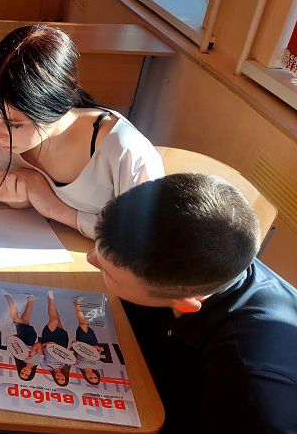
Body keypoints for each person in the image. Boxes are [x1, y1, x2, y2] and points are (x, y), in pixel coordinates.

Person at [89, 173, 297, 433]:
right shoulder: (199, 262)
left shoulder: (249, 390)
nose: (89, 259)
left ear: (185, 305)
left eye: (107, 272)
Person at [0, 24, 164, 239]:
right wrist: (19, 201)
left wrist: (55, 208)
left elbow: (145, 241)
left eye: (15, 125)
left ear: (58, 101)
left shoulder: (125, 151)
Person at [30, 291, 72, 386]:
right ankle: (50, 301)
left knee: (54, 320)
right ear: (65, 376)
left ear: (54, 378)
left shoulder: (46, 366)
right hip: (62, 341)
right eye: (62, 378)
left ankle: (51, 299)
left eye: (58, 379)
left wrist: (45, 344)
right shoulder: (65, 365)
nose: (59, 377)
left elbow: (40, 349)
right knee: (57, 318)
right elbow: (70, 352)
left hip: (48, 339)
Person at [1, 289, 38, 381]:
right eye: (27, 374)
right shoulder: (36, 362)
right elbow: (38, 345)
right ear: (31, 374)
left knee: (25, 317)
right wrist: (32, 351)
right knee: (15, 318)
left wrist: (14, 340)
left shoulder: (20, 361)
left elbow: (15, 347)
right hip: (29, 337)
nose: (24, 372)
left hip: (22, 337)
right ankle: (8, 296)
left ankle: (30, 298)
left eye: (22, 373)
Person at [70, 296, 103, 385]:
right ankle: (77, 304)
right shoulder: (98, 366)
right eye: (95, 377)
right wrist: (98, 348)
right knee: (84, 322)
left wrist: (74, 345)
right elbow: (97, 353)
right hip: (93, 342)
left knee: (83, 322)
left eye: (90, 378)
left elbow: (73, 352)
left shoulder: (77, 365)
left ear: (86, 377)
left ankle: (77, 303)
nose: (92, 376)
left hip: (82, 342)